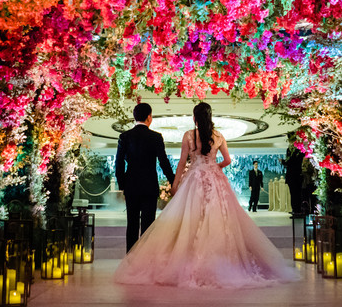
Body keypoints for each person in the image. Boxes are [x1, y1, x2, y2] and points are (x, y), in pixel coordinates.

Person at [114, 102, 298, 288]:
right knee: (217, 217)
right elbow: (227, 160)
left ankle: (138, 260)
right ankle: (218, 258)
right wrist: (214, 167)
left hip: (187, 179)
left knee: (183, 219)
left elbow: (178, 164)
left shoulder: (187, 135)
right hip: (212, 180)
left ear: (194, 118)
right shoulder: (218, 136)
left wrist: (175, 184)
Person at [115, 103, 175, 252]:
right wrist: (173, 180)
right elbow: (163, 162)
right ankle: (146, 258)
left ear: (135, 117)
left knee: (132, 224)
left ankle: (130, 258)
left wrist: (122, 184)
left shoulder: (125, 137)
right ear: (149, 117)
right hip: (149, 186)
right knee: (148, 226)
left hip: (131, 186)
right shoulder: (155, 137)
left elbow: (119, 163)